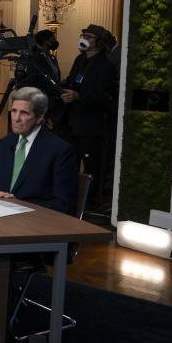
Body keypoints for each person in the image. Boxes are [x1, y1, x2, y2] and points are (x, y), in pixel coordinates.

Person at [0, 87, 78, 215]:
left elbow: (64, 205)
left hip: (37, 224)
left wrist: (19, 204)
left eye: (24, 113)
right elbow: (2, 190)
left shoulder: (60, 150)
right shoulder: (4, 144)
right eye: (14, 111)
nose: (16, 118)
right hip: (2, 219)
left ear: (39, 118)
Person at [60, 24, 117, 214]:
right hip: (73, 124)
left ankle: (89, 205)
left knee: (92, 169)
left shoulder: (105, 66)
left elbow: (103, 98)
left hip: (92, 128)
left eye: (89, 36)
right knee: (69, 165)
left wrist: (78, 97)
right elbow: (71, 81)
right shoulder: (79, 60)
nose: (84, 38)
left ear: (99, 42)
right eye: (83, 34)